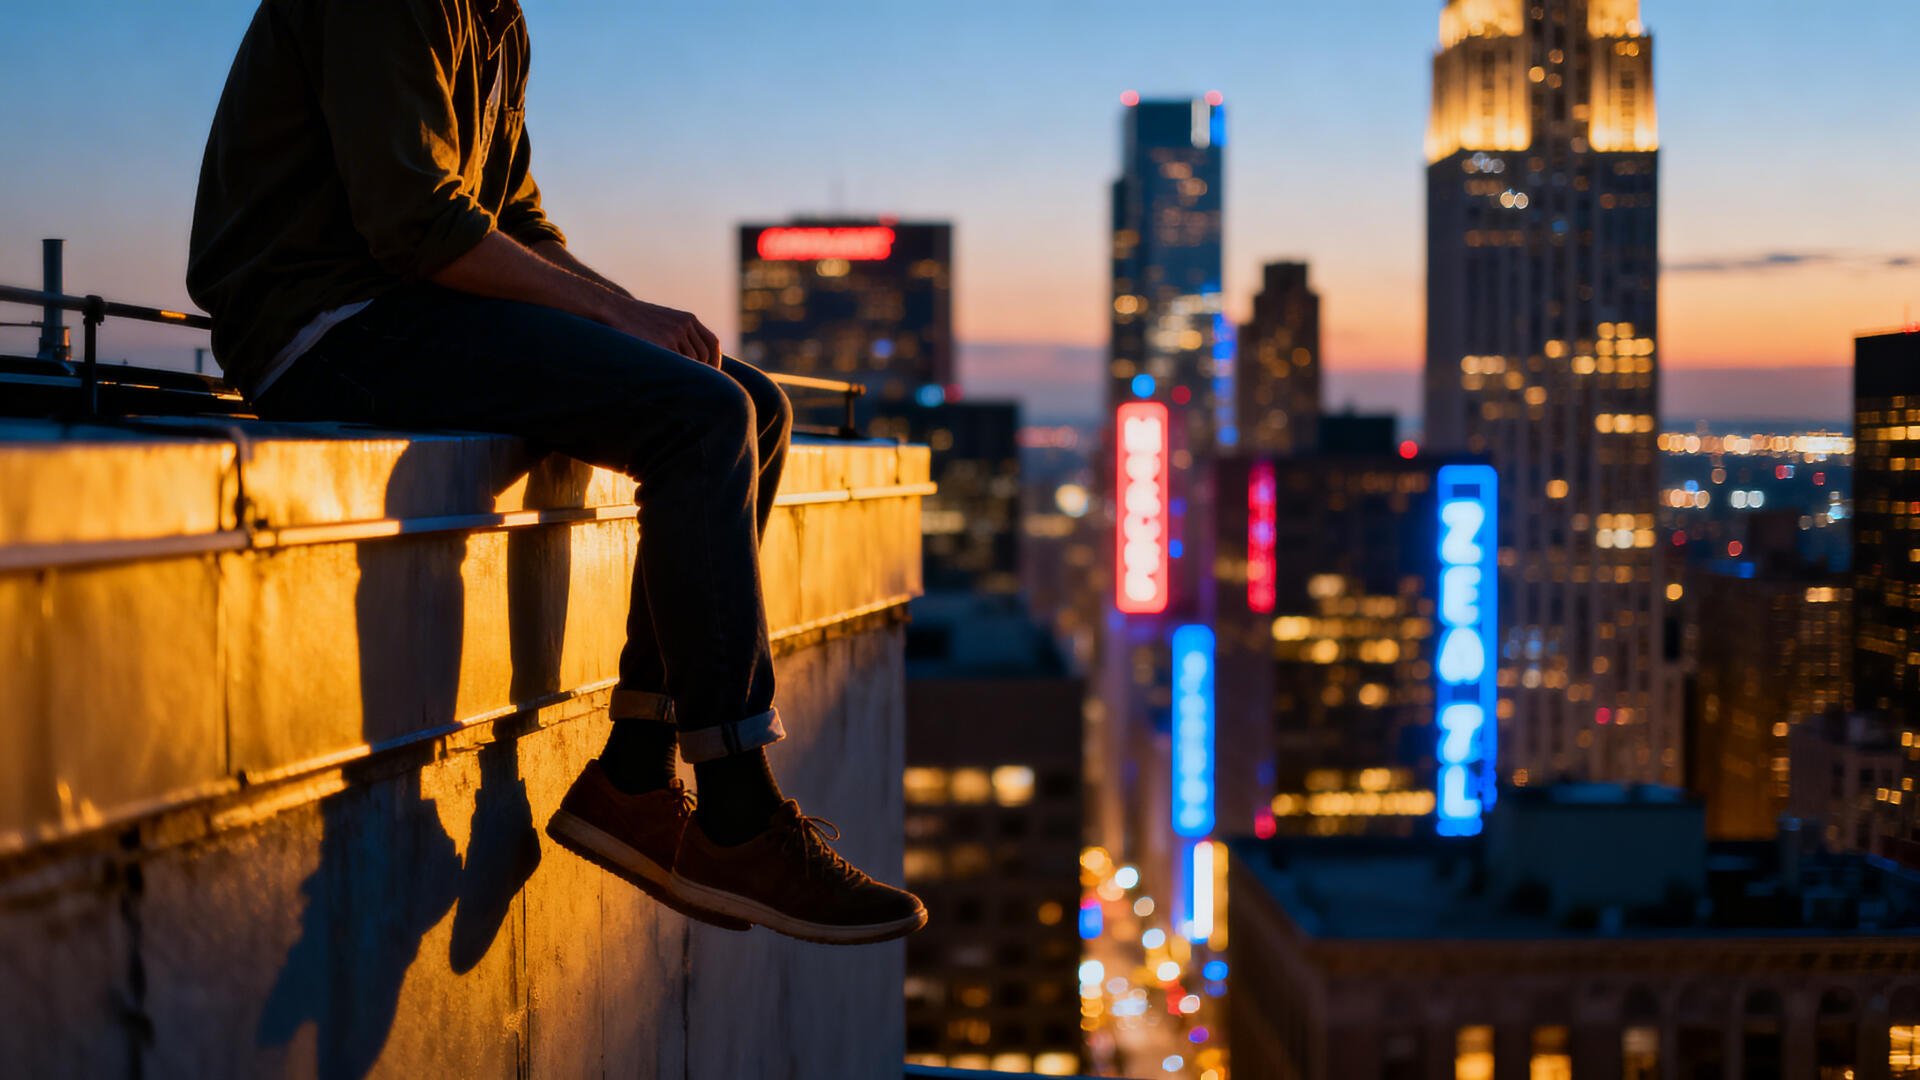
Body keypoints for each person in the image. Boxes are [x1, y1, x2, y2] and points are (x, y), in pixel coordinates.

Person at [187, 0, 925, 945]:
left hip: (411, 308)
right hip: (327, 325)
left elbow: (516, 222)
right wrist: (618, 324)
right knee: (700, 417)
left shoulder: (496, 18)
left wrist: (638, 317)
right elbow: (415, 223)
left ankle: (635, 770)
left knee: (753, 406)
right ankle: (736, 805)